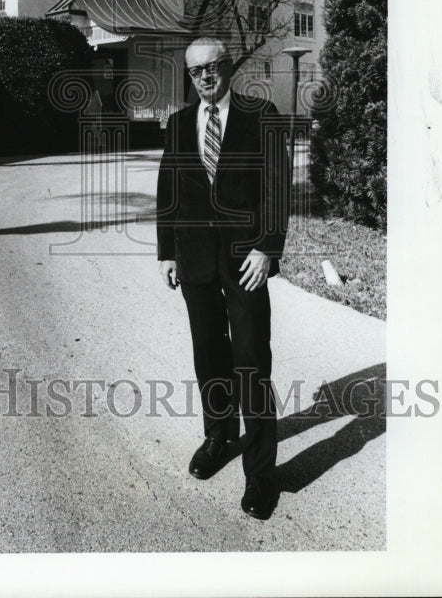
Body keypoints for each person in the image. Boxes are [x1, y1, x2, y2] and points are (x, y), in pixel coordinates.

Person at [156, 37, 289, 520]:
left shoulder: (261, 115)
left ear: (229, 68)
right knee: (209, 352)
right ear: (189, 77)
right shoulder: (176, 124)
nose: (205, 77)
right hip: (194, 262)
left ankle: (260, 473)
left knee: (251, 358)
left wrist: (268, 249)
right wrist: (167, 252)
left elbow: (276, 185)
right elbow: (169, 189)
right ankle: (218, 435)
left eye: (213, 67)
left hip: (245, 261)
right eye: (196, 71)